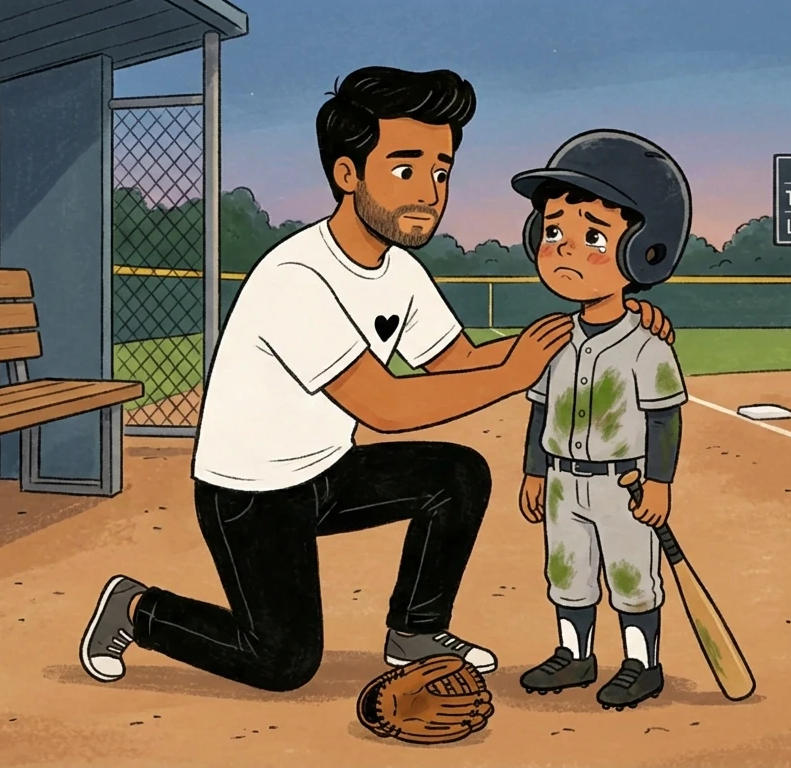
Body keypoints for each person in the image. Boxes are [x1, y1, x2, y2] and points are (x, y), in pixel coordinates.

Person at [79, 68, 677, 693]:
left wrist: (602, 320)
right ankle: (137, 609)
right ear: (347, 174)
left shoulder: (398, 271)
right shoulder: (296, 277)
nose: (429, 191)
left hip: (327, 472)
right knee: (282, 662)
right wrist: (517, 372)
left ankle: (414, 630)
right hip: (253, 496)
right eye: (405, 169)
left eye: (440, 172)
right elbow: (385, 406)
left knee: (458, 475)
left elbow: (459, 362)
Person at [510, 130, 693, 710]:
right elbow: (539, 410)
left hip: (624, 483)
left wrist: (660, 483)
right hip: (563, 481)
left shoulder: (646, 346)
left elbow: (665, 419)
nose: (563, 248)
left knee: (632, 576)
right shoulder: (554, 341)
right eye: (554, 231)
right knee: (568, 572)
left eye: (592, 235)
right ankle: (575, 654)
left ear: (644, 250)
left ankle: (642, 664)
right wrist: (534, 472)